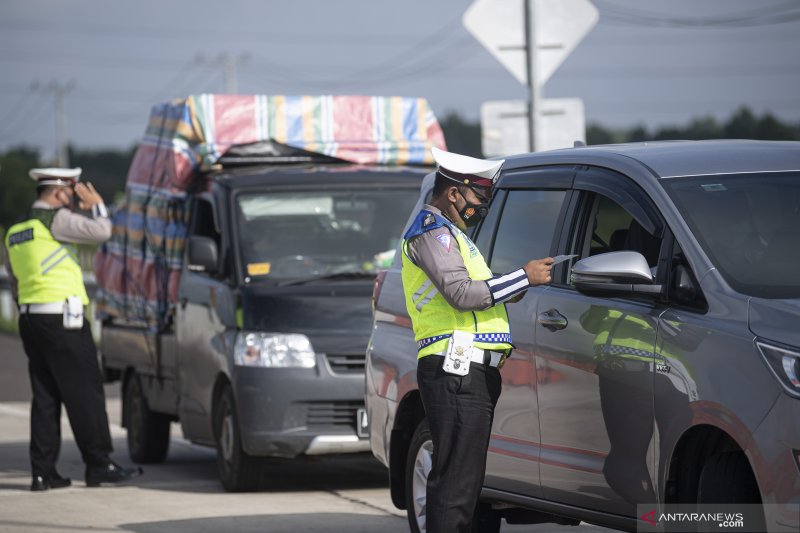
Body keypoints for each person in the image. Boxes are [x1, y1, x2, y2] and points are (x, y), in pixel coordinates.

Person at [400, 148, 553, 532]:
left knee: (463, 484)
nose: (482, 206)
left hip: (468, 371)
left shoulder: (452, 234)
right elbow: (462, 293)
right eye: (479, 197)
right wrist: (523, 277)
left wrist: (510, 288)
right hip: (456, 370)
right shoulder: (433, 231)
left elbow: (476, 293)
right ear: (454, 193)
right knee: (454, 485)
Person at [3, 167, 142, 491]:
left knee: (46, 396)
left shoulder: (16, 230)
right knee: (85, 393)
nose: (72, 200)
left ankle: (43, 472)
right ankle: (99, 464)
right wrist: (97, 205)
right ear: (57, 193)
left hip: (31, 318)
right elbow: (102, 231)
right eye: (70, 193)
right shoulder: (56, 220)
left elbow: (14, 279)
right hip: (63, 319)